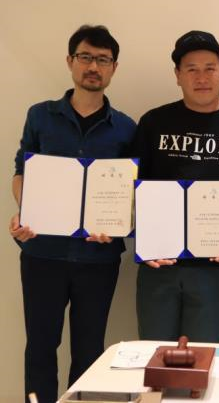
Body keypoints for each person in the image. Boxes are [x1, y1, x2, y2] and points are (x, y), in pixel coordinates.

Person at [9, 25, 136, 403]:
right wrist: (25, 211)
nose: (93, 67)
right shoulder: (41, 116)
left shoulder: (126, 128)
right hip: (42, 253)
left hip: (98, 258)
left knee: (89, 348)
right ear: (70, 61)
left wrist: (117, 226)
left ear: (114, 68)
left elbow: (131, 192)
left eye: (103, 60)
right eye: (85, 57)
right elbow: (21, 172)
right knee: (41, 345)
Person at [132, 30, 219, 342]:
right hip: (159, 263)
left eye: (210, 68)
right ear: (177, 75)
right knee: (155, 354)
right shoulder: (153, 123)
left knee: (203, 356)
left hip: (212, 266)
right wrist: (142, 238)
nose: (202, 78)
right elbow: (131, 192)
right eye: (191, 69)